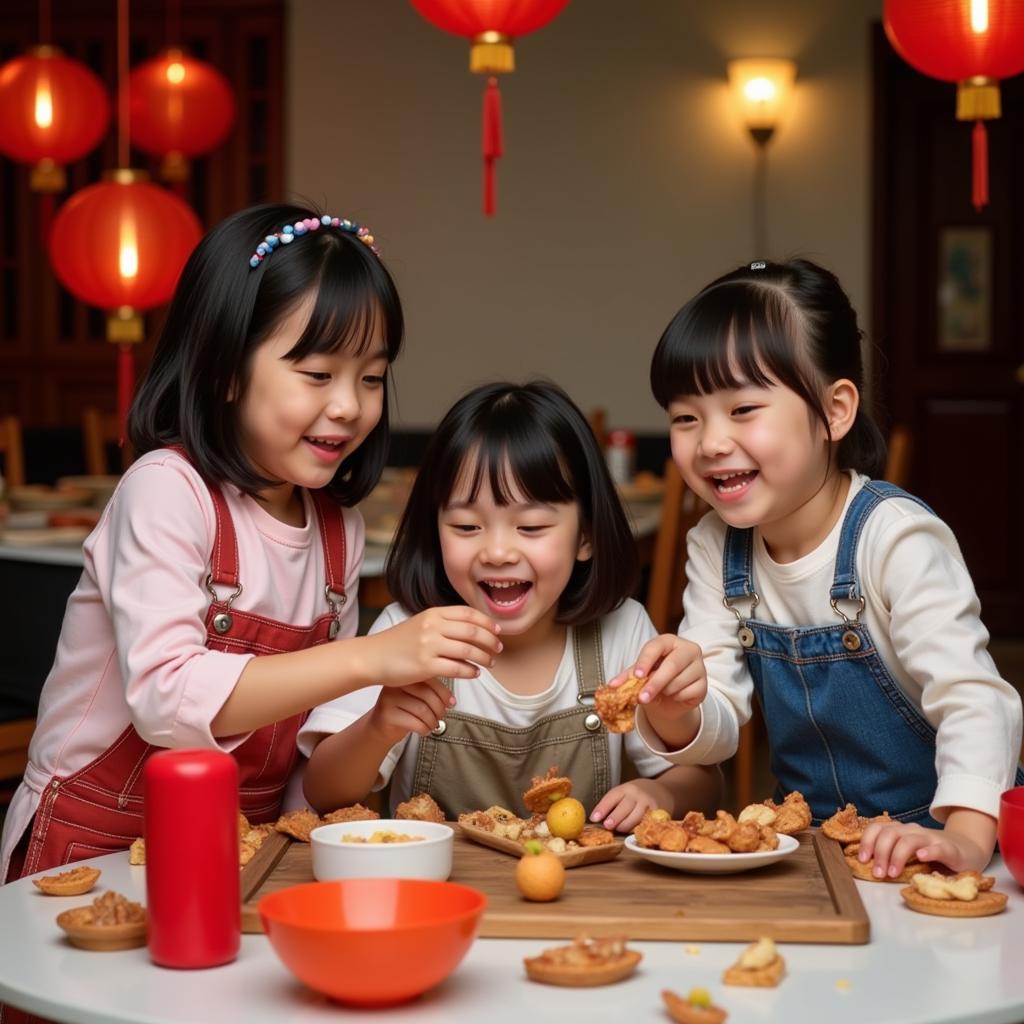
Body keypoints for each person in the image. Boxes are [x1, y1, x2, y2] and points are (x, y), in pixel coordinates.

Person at [0, 204, 501, 884]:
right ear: (226, 372)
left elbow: (309, 769)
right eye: (319, 375)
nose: (351, 405)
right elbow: (165, 699)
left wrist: (378, 722)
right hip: (98, 844)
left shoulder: (336, 533)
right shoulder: (167, 491)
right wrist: (370, 657)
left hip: (248, 852)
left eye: (373, 377)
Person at [616, 257, 1023, 877]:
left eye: (744, 408)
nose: (711, 441)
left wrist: (964, 838)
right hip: (811, 848)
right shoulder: (714, 545)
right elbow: (721, 721)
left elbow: (974, 699)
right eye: (685, 417)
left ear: (835, 411)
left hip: (938, 839)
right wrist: (676, 709)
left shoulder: (893, 537)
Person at [301, 381, 721, 830]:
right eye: (466, 526)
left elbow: (707, 784)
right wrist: (377, 728)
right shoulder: (408, 633)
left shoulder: (621, 632)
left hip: (576, 893)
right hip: (438, 892)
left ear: (584, 536)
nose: (497, 552)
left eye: (531, 526)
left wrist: (659, 792)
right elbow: (324, 794)